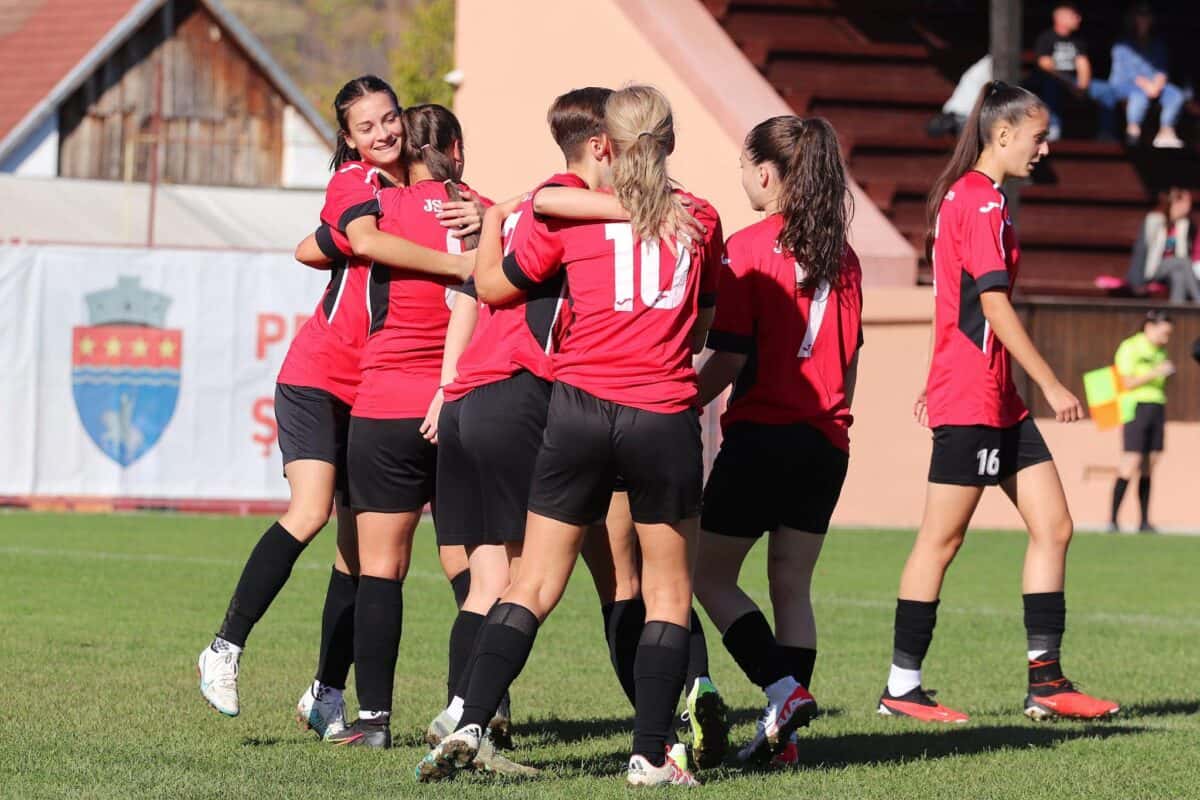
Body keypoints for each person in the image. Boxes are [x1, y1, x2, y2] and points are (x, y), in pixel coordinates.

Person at [418, 85, 722, 787]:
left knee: (532, 583)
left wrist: (496, 219)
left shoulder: (566, 215)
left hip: (579, 411)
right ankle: (648, 756)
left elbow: (495, 288)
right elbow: (704, 326)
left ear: (604, 145)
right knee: (665, 596)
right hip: (660, 413)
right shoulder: (702, 217)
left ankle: (469, 719)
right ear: (670, 141)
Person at [196, 77, 476, 735]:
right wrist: (456, 263)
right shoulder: (356, 183)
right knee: (313, 510)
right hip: (321, 376)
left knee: (357, 555)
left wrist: (480, 222)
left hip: (374, 394)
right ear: (347, 139)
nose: (382, 133)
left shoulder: (415, 198)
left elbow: (314, 247)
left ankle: (327, 692)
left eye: (389, 120)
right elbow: (362, 241)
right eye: (367, 126)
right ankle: (224, 646)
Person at [878, 81, 1119, 724]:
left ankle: (1047, 683)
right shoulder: (980, 203)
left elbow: (951, 300)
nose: (1045, 148)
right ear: (1004, 134)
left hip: (995, 396)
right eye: (1039, 137)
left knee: (1054, 527)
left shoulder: (980, 200)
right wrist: (1052, 383)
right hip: (977, 397)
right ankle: (902, 687)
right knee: (942, 538)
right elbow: (989, 303)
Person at [693, 115, 862, 766]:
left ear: (765, 172)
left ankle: (782, 692)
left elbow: (728, 358)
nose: (742, 177)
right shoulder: (839, 254)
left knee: (705, 576)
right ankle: (783, 741)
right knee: (791, 586)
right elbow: (849, 362)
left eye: (743, 166)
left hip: (764, 435)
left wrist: (673, 400)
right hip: (827, 441)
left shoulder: (750, 246)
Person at [323, 103, 489, 748]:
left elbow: (315, 247)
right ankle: (476, 706)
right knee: (476, 568)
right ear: (456, 146)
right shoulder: (486, 210)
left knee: (380, 569)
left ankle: (373, 723)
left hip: (389, 401)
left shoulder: (379, 209)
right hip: (466, 406)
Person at [1111, 310, 1175, 533]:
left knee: (1150, 463)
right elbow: (1126, 382)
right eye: (1163, 332)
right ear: (1149, 326)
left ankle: (1144, 521)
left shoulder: (1160, 351)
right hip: (1136, 407)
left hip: (1157, 406)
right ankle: (1113, 520)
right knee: (1131, 460)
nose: (1166, 338)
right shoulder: (1131, 347)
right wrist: (1156, 372)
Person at [1102, 2, 1186, 148]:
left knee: (1176, 94)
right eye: (1140, 16)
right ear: (1132, 19)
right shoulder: (1122, 44)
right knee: (1139, 96)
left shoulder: (1158, 44)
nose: (1144, 20)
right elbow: (1127, 73)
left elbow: (1162, 69)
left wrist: (1157, 84)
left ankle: (1166, 131)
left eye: (1147, 16)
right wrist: (1148, 86)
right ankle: (1133, 131)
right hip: (1126, 85)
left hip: (1154, 86)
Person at [1030, 3, 1115, 141]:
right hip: (1056, 80)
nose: (1078, 19)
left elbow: (1083, 64)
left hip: (1075, 83)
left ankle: (1106, 133)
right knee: (1051, 86)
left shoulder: (1077, 40)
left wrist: (1082, 86)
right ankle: (1053, 128)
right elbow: (1046, 65)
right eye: (1074, 16)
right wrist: (1070, 84)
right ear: (1060, 18)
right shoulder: (1046, 38)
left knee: (1106, 90)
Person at [1126, 188, 1200, 302]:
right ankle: (1198, 301)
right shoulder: (1154, 221)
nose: (1187, 207)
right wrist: (1136, 281)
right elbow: (1141, 250)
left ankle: (1177, 311)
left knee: (1178, 276)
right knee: (1183, 261)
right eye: (1184, 203)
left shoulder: (1184, 224)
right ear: (1173, 203)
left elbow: (1186, 251)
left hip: (1174, 268)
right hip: (1155, 268)